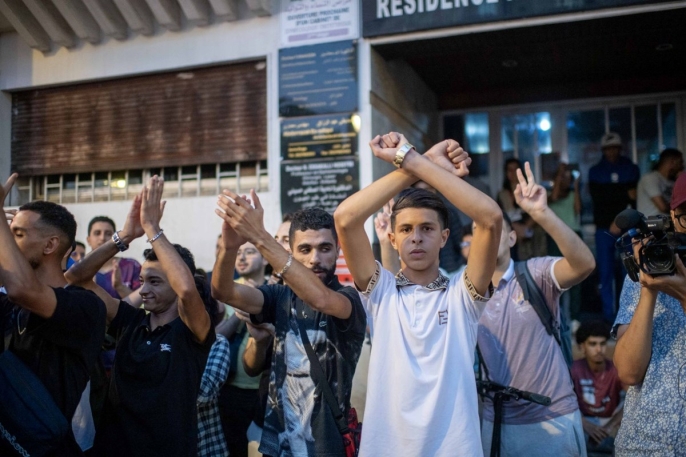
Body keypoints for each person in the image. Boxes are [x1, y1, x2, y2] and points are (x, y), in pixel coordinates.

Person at [335, 133, 502, 456]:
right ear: (392, 240)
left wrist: (413, 160)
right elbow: (345, 219)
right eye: (406, 229)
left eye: (427, 228)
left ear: (444, 237)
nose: (416, 238)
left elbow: (491, 218)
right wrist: (419, 164)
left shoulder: (462, 296)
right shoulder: (381, 292)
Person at [65, 177, 215, 457]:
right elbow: (76, 277)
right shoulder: (130, 321)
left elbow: (186, 288)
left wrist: (153, 229)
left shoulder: (192, 330)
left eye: (155, 282)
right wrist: (124, 236)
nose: (143, 290)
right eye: (142, 280)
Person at [212, 200, 366, 457]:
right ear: (291, 253)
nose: (315, 259)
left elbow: (320, 299)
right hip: (279, 444)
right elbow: (223, 292)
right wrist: (229, 248)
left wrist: (259, 236)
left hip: (326, 447)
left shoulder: (349, 298)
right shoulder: (280, 296)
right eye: (305, 249)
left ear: (338, 249)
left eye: (325, 248)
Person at [478, 162, 595, 457]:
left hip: (553, 418)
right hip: (495, 422)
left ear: (512, 237)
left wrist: (541, 213)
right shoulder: (464, 292)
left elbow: (584, 264)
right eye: (480, 229)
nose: (488, 235)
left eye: (496, 228)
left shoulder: (535, 273)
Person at [0, 173, 107, 456]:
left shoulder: (85, 306)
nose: (7, 242)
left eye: (17, 234)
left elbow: (23, 289)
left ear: (50, 246)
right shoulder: (9, 304)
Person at [612, 171, 686, 456]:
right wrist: (648, 289)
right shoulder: (652, 265)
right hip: (643, 445)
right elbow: (629, 372)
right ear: (673, 216)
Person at [218, 241, 268, 457]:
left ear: (265, 258)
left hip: (265, 389)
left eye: (249, 252)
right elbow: (214, 338)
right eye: (238, 252)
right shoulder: (224, 290)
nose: (242, 257)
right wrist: (243, 307)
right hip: (228, 388)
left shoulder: (275, 290)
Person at [588, 132, 640, 323]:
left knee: (630, 270)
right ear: (603, 150)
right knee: (605, 272)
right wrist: (622, 192)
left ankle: (629, 315)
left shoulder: (630, 167)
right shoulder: (595, 170)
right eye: (608, 149)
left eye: (615, 148)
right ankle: (609, 317)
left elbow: (634, 197)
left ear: (620, 148)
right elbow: (599, 198)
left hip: (627, 226)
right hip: (603, 227)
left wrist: (618, 216)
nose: (611, 152)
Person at [571, 320, 624, 455]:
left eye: (602, 343)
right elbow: (563, 401)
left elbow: (634, 400)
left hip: (609, 421)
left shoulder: (616, 369)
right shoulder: (574, 369)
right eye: (593, 344)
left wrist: (610, 426)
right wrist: (584, 423)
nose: (599, 350)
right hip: (581, 419)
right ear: (582, 346)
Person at [497, 158, 547, 261]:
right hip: (513, 234)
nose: (513, 173)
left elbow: (539, 210)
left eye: (515, 169)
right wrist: (515, 228)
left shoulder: (530, 190)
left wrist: (525, 228)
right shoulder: (502, 194)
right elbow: (501, 215)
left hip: (533, 233)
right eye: (510, 170)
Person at [86, 215, 142, 299]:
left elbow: (143, 303)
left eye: (108, 234)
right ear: (88, 240)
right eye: (97, 233)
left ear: (115, 238)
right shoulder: (78, 269)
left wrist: (120, 287)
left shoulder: (132, 266)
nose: (102, 238)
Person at [636, 148, 683, 217]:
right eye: (680, 162)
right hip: (652, 222)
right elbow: (663, 207)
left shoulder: (672, 181)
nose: (682, 166)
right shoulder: (651, 178)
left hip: (669, 220)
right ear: (672, 162)